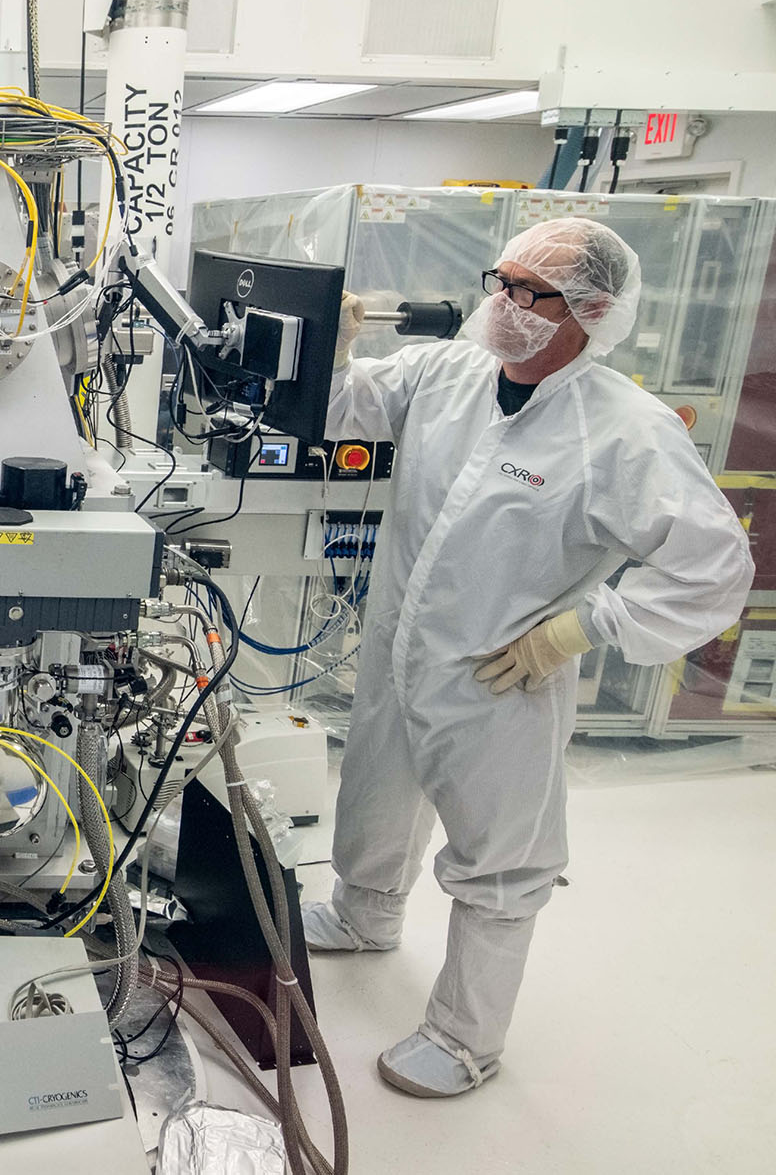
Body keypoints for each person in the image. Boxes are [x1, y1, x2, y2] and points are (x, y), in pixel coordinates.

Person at [302, 216, 752, 1099]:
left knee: (500, 858)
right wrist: (334, 345)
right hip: (401, 644)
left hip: (505, 672)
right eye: (497, 281)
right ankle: (366, 914)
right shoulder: (449, 372)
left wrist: (584, 628)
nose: (500, 304)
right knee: (375, 785)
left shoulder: (624, 430)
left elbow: (714, 567)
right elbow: (342, 408)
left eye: (524, 292)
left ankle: (467, 1036)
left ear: (589, 310)